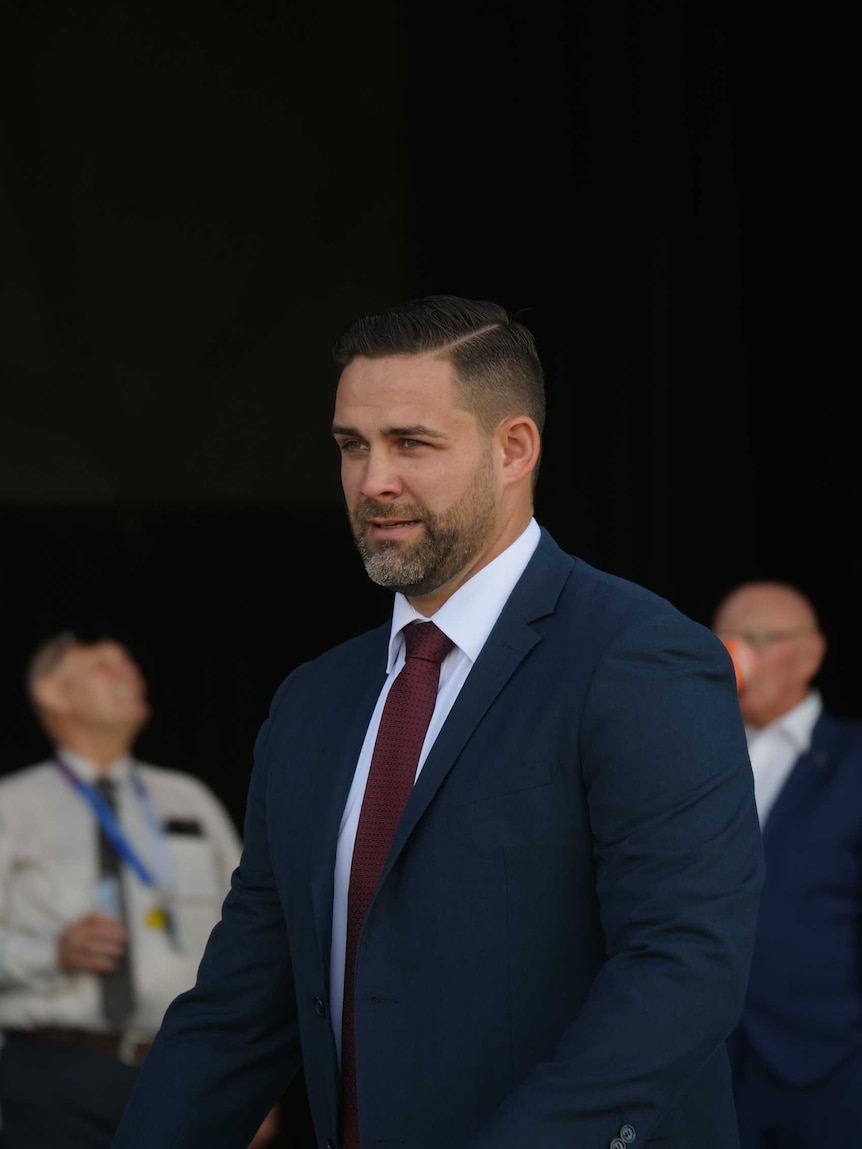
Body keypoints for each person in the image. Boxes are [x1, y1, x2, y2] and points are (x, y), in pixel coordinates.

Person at [112, 293, 764, 1149]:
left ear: (514, 448)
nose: (373, 479)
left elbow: (683, 971)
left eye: (411, 443)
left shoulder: (640, 660)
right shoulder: (313, 700)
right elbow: (243, 1003)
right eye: (353, 445)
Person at [0, 632, 282, 1149]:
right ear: (54, 693)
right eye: (106, 666)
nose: (131, 672)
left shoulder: (189, 799)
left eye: (132, 662)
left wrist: (253, 1079)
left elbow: (254, 933)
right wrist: (52, 952)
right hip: (51, 1078)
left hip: (179, 1073)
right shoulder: (13, 806)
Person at [712, 580, 862, 1149]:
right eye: (723, 637)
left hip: (827, 1066)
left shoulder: (851, 762)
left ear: (811, 653)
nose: (736, 653)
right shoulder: (691, 753)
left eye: (759, 638)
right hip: (709, 1063)